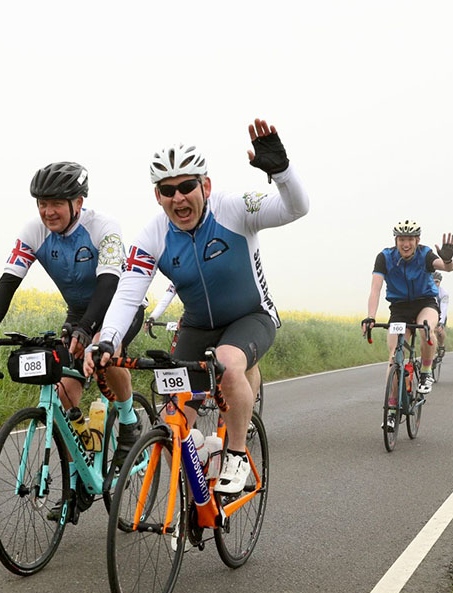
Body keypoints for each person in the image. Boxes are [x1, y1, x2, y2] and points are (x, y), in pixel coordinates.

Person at [86, 118, 309, 494]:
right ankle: (200, 479)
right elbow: (128, 293)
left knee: (227, 364)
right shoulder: (153, 235)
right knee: (173, 422)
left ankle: (236, 456)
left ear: (205, 185)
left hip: (250, 316)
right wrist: (107, 340)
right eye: (167, 190)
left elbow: (295, 209)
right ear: (157, 196)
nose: (179, 198)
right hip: (196, 325)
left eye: (187, 187)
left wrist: (282, 173)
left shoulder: (234, 209)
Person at [0, 161, 144, 466]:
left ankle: (130, 420)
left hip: (118, 305)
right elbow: (9, 281)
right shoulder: (34, 231)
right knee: (63, 393)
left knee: (105, 350)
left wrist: (88, 329)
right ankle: (78, 477)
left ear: (78, 203)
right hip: (79, 311)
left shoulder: (104, 227)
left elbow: (109, 283)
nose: (48, 211)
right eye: (42, 204)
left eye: (56, 204)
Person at [362, 220, 453, 401]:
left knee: (426, 328)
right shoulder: (385, 257)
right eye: (402, 239)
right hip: (399, 308)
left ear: (417, 240)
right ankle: (392, 406)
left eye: (410, 240)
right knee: (394, 357)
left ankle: (426, 372)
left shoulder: (425, 254)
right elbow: (375, 289)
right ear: (396, 240)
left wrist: (448, 259)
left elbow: (446, 268)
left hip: (425, 303)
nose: (406, 244)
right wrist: (370, 317)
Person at [433, 271, 449, 365]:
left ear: (440, 282)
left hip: (440, 315)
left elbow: (444, 308)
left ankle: (441, 346)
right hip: (429, 315)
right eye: (432, 281)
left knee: (439, 331)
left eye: (437, 282)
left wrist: (441, 323)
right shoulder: (425, 290)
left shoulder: (443, 293)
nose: (435, 284)